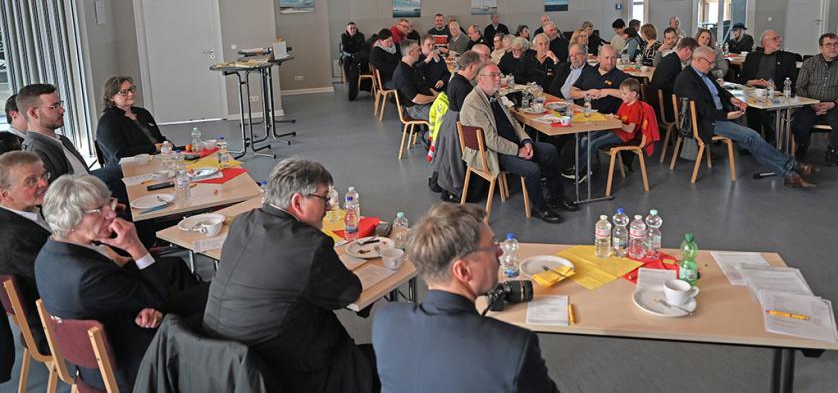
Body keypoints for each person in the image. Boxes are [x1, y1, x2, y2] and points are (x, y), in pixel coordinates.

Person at [203, 159, 376, 393]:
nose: (328, 207)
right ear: (297, 201)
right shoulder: (309, 245)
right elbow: (348, 293)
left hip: (222, 366)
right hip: (283, 374)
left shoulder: (243, 221)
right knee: (385, 361)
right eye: (324, 198)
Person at [35, 175, 206, 391]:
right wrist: (134, 246)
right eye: (99, 210)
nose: (111, 214)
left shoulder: (49, 253)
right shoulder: (88, 277)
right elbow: (161, 298)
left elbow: (114, 295)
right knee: (218, 305)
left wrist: (143, 305)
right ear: (71, 221)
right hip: (133, 363)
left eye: (109, 204)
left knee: (207, 291)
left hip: (111, 338)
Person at [372, 203, 558, 393]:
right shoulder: (514, 348)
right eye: (492, 246)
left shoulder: (386, 320)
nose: (500, 252)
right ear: (463, 270)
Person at [674, 47, 816, 188]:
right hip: (705, 122)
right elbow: (702, 108)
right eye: (710, 62)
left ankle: (789, 175)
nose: (713, 66)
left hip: (717, 117)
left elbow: (719, 90)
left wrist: (732, 99)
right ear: (698, 60)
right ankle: (791, 164)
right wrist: (726, 115)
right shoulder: (685, 79)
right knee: (752, 136)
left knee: (751, 142)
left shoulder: (704, 73)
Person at [460, 63, 577, 223]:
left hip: (511, 144)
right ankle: (539, 208)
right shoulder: (473, 103)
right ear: (480, 79)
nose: (498, 79)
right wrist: (518, 150)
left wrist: (526, 141)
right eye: (493, 75)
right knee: (532, 170)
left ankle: (556, 196)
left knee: (549, 150)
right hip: (493, 153)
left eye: (499, 75)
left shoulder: (494, 95)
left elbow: (513, 123)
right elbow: (491, 141)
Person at [19, 83, 127, 201]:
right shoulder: (35, 152)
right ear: (33, 113)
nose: (62, 110)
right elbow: (54, 200)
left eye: (60, 104)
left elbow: (84, 175)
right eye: (54, 106)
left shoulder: (62, 139)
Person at [0, 151, 51, 348]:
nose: (44, 183)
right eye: (31, 181)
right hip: (53, 327)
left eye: (43, 175)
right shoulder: (17, 239)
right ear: (4, 194)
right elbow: (63, 280)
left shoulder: (24, 214)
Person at [792, 34, 838, 166]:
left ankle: (833, 151)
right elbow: (800, 87)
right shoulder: (809, 63)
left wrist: (834, 103)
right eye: (828, 45)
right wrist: (812, 103)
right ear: (821, 48)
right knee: (799, 124)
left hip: (835, 104)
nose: (833, 47)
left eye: (836, 44)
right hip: (811, 103)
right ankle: (803, 145)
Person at [576, 78, 659, 175]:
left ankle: (578, 170)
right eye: (621, 93)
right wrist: (612, 117)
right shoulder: (625, 102)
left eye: (624, 94)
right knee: (585, 139)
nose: (621, 96)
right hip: (614, 129)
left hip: (623, 136)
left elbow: (630, 129)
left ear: (633, 94)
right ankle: (584, 167)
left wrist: (617, 123)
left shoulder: (636, 108)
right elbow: (619, 117)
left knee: (593, 143)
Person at [95, 76, 170, 168]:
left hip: (158, 161)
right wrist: (154, 148)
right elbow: (120, 153)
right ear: (111, 97)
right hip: (127, 169)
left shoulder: (143, 113)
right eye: (124, 92)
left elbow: (159, 138)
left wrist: (169, 146)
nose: (131, 94)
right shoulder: (108, 121)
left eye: (131, 89)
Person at [739, 30, 800, 140]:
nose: (779, 40)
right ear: (765, 42)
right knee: (754, 106)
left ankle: (763, 138)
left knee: (761, 107)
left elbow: (792, 81)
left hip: (775, 94)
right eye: (775, 38)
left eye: (779, 38)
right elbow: (741, 79)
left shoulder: (788, 57)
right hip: (754, 92)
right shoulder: (752, 56)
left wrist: (773, 85)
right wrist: (754, 81)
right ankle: (758, 138)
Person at [571, 44, 629, 116]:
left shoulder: (621, 76)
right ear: (598, 58)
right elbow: (572, 92)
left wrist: (607, 91)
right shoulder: (588, 71)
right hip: (581, 113)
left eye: (613, 58)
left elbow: (632, 95)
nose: (610, 62)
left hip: (606, 117)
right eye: (606, 58)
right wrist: (587, 93)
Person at [652, 38, 698, 119]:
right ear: (686, 49)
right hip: (666, 108)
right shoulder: (673, 62)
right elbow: (662, 84)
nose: (692, 57)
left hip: (658, 104)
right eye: (693, 53)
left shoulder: (670, 58)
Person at [393, 40, 437, 121]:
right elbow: (416, 99)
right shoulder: (402, 73)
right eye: (418, 50)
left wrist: (433, 92)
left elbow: (423, 84)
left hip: (425, 102)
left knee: (451, 111)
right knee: (446, 118)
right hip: (416, 108)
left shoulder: (411, 66)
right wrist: (434, 98)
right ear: (411, 53)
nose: (420, 53)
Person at [340, 21, 368, 99]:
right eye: (351, 28)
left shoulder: (360, 36)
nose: (353, 30)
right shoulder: (343, 36)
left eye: (354, 28)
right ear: (347, 29)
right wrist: (351, 55)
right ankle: (349, 79)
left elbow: (363, 49)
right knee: (346, 61)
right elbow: (344, 50)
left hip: (357, 56)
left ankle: (353, 89)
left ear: (356, 28)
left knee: (355, 70)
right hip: (347, 56)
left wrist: (356, 55)